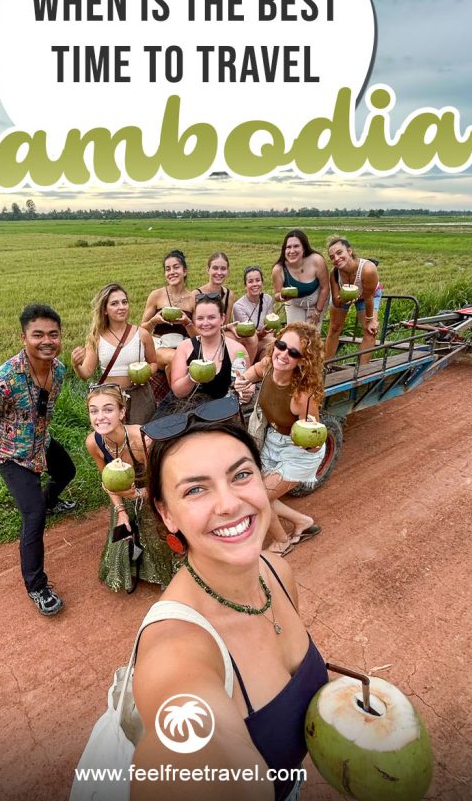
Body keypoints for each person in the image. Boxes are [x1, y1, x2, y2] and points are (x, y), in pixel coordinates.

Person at [131, 411, 328, 801]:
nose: (229, 504)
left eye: (241, 475)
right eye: (195, 490)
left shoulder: (277, 572)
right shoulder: (174, 653)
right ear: (166, 514)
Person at [0, 303, 77, 616]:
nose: (47, 340)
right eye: (38, 335)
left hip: (40, 442)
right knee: (33, 517)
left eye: (53, 334)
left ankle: (49, 500)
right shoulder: (2, 381)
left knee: (67, 471)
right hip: (11, 454)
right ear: (24, 337)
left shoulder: (58, 370)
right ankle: (36, 586)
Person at [242, 323, 324, 556]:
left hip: (298, 452)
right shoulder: (269, 365)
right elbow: (255, 370)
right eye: (281, 345)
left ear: (303, 361)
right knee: (262, 493)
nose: (284, 354)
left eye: (294, 353)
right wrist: (242, 381)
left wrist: (311, 442)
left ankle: (282, 541)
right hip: (272, 441)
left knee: (258, 496)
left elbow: (314, 436)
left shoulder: (302, 396)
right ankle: (303, 522)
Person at [84, 385, 173, 593]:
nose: (100, 417)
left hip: (153, 491)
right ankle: (133, 570)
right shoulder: (93, 442)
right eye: (93, 410)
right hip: (123, 494)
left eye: (108, 409)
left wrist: (139, 495)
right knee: (122, 534)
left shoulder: (143, 440)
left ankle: (164, 572)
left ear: (122, 412)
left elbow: (163, 483)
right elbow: (108, 482)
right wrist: (121, 511)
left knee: (155, 536)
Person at [71, 283, 158, 423]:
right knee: (115, 441)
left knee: (141, 438)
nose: (121, 307)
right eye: (114, 304)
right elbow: (86, 373)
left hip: (140, 395)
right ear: (105, 310)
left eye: (124, 302)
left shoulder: (141, 334)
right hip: (111, 397)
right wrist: (76, 365)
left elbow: (153, 363)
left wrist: (147, 372)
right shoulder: (96, 337)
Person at [166, 294, 252, 408]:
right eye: (200, 318)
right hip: (186, 408)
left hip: (223, 410)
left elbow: (250, 382)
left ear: (222, 318)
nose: (205, 323)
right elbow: (178, 392)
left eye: (211, 317)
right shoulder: (184, 347)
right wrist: (191, 378)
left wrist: (247, 392)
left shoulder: (237, 350)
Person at [324, 236, 382, 364]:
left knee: (370, 330)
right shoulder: (334, 273)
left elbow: (368, 298)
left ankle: (362, 371)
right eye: (332, 257)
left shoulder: (368, 269)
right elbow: (335, 301)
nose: (336, 259)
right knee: (334, 328)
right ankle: (326, 366)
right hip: (345, 295)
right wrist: (344, 299)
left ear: (349, 251)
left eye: (339, 253)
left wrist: (370, 320)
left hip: (367, 296)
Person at [140, 250, 197, 376]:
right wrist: (153, 321)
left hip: (183, 345)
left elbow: (198, 337)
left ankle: (176, 393)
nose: (172, 272)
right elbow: (141, 330)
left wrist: (187, 323)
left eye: (176, 267)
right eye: (168, 269)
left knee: (180, 358)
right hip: (159, 346)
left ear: (185, 271)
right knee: (176, 358)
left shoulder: (193, 299)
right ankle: (179, 394)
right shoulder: (156, 295)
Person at [271, 230, 329, 327]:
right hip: (294, 304)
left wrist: (318, 311)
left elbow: (325, 287)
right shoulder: (278, 269)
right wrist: (281, 296)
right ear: (284, 250)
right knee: (294, 333)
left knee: (312, 334)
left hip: (317, 301)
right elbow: (277, 294)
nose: (292, 251)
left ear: (304, 248)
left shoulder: (317, 260)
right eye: (288, 247)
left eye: (296, 246)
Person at [230, 265, 275, 363]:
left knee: (272, 348)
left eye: (258, 280)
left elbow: (271, 328)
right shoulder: (239, 306)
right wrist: (263, 335)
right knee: (272, 345)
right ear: (245, 285)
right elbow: (249, 335)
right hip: (248, 344)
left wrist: (269, 337)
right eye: (250, 281)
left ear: (262, 282)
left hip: (265, 340)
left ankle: (262, 373)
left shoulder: (268, 299)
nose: (255, 284)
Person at [195, 251, 236, 322]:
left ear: (228, 271)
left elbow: (225, 325)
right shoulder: (196, 294)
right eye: (215, 268)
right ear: (208, 269)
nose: (219, 272)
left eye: (223, 269)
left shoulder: (229, 295)